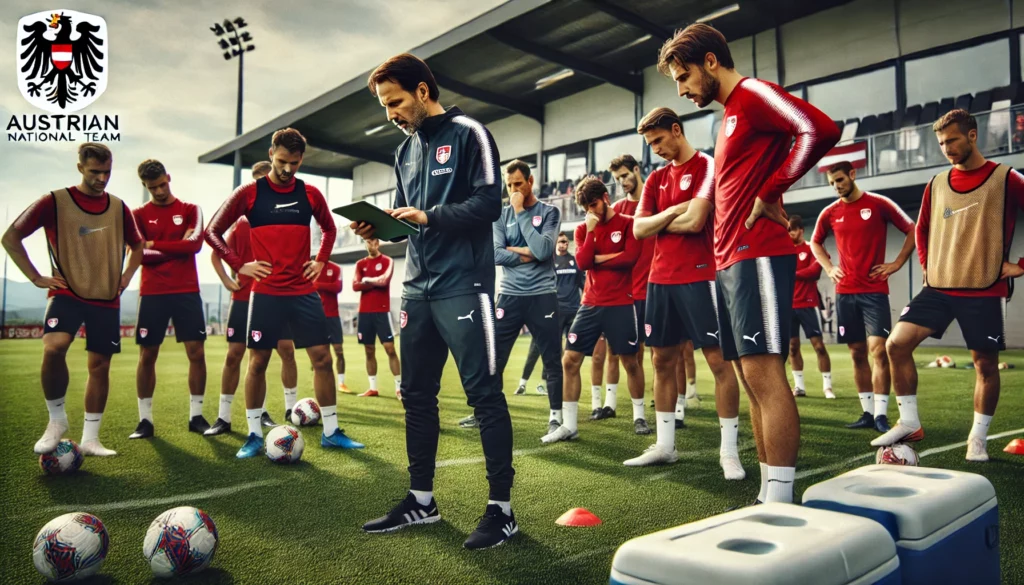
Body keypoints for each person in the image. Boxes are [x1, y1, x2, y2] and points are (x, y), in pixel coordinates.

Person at [658, 24, 840, 503]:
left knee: (764, 373)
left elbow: (820, 130)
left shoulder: (755, 92)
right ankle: (767, 495)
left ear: (711, 62)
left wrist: (770, 189)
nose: (682, 90)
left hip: (756, 254)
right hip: (728, 260)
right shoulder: (729, 117)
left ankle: (780, 499)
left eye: (684, 77)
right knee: (747, 375)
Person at [356, 53, 516, 549]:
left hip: (463, 284)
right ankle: (421, 501)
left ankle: (502, 512)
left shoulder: (470, 132)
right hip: (417, 288)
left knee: (484, 394)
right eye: (385, 106)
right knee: (416, 394)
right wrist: (383, 226)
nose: (391, 114)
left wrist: (428, 217)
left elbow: (490, 203)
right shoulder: (403, 153)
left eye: (396, 102)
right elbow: (414, 221)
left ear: (423, 91)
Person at [876, 109, 1024, 462]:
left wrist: (1020, 266)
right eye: (941, 143)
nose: (947, 148)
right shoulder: (937, 183)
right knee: (895, 345)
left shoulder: (1007, 179)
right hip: (939, 288)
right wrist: (927, 267)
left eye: (953, 140)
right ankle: (909, 422)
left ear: (972, 136)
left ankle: (977, 439)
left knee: (985, 365)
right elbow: (922, 229)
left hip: (984, 288)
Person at [205, 128, 362, 458]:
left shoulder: (311, 194)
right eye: (281, 161)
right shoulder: (249, 194)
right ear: (271, 152)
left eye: (294, 162)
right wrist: (240, 264)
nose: (288, 169)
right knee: (257, 362)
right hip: (265, 294)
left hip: (304, 292)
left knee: (322, 359)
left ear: (301, 158)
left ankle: (332, 432)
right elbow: (212, 232)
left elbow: (331, 228)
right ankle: (251, 434)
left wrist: (320, 261)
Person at [2, 142, 143, 457]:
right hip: (66, 291)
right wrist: (36, 278)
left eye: (107, 172)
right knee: (53, 349)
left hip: (106, 296)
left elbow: (138, 245)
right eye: (95, 172)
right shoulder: (54, 201)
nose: (102, 178)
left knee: (100, 365)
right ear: (80, 167)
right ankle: (56, 420)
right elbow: (10, 238)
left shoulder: (119, 207)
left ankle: (91, 439)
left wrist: (127, 276)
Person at [632, 107, 743, 477]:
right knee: (662, 362)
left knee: (719, 363)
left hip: (700, 278)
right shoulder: (654, 180)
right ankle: (665, 446)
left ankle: (729, 452)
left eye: (659, 140)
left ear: (677, 131)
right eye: (650, 144)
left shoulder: (707, 167)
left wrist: (659, 220)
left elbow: (696, 222)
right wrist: (671, 213)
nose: (656, 149)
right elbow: (638, 230)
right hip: (659, 280)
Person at [811, 161, 915, 432]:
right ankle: (867, 413)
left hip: (874, 292)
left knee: (879, 350)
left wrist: (896, 264)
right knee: (857, 353)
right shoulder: (830, 212)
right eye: (833, 183)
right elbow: (815, 242)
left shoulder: (879, 204)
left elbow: (912, 229)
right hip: (845, 293)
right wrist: (829, 267)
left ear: (853, 175)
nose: (837, 186)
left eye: (841, 180)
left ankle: (881, 415)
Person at [542, 176, 644, 445]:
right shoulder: (582, 230)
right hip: (590, 304)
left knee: (630, 362)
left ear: (606, 198)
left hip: (621, 302)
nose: (591, 210)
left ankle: (639, 416)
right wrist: (589, 233)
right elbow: (585, 262)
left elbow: (630, 259)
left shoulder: (628, 224)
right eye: (586, 207)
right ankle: (570, 425)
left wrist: (601, 258)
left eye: (594, 204)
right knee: (570, 360)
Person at [206, 161, 299, 435]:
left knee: (278, 352)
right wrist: (227, 280)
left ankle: (282, 410)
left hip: (275, 298)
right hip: (244, 298)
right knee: (235, 355)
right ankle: (224, 418)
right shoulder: (241, 224)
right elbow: (215, 250)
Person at [128, 159, 209, 439]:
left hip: (187, 290)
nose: (160, 191)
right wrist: (178, 247)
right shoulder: (136, 215)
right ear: (145, 186)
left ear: (169, 177)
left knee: (196, 353)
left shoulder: (190, 210)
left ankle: (196, 416)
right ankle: (145, 421)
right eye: (153, 187)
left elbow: (195, 245)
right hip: (152, 292)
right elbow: (137, 254)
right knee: (147, 354)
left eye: (163, 184)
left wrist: (153, 244)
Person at [483, 159, 563, 437]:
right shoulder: (498, 216)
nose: (513, 190)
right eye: (509, 185)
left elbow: (543, 250)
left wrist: (520, 212)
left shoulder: (550, 212)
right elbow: (494, 253)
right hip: (509, 296)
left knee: (552, 359)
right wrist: (528, 252)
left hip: (543, 296)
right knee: (495, 359)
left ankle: (555, 417)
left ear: (530, 182)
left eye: (518, 184)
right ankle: (486, 411)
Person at [592, 154, 655, 432]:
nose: (622, 182)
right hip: (624, 293)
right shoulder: (616, 209)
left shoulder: (653, 203)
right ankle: (610, 404)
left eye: (625, 176)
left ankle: (674, 408)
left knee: (659, 352)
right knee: (616, 353)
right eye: (617, 179)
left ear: (637, 170)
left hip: (654, 289)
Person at [517, 232, 584, 395]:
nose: (563, 245)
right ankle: (523, 383)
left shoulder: (575, 262)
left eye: (566, 242)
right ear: (555, 243)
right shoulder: (549, 261)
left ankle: (549, 383)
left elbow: (583, 283)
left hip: (573, 310)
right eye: (560, 242)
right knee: (540, 347)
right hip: (553, 310)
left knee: (571, 350)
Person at [787, 215, 834, 399]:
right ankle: (799, 387)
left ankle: (827, 387)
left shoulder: (812, 248)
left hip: (808, 303)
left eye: (792, 229)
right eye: (788, 230)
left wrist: (790, 273)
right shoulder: (785, 251)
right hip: (789, 305)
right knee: (792, 347)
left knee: (819, 346)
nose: (790, 233)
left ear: (801, 230)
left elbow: (814, 272)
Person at [352, 237, 401, 399]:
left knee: (390, 349)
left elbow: (385, 281)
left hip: (382, 311)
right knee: (368, 350)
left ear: (377, 243)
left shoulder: (387, 260)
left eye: (372, 241)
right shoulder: (360, 264)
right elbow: (355, 285)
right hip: (364, 312)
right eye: (366, 241)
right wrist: (373, 282)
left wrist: (366, 281)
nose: (370, 244)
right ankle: (373, 388)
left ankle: (399, 388)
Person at [315, 259, 349, 394]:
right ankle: (320, 381)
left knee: (339, 350)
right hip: (316, 316)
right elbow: (309, 286)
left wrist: (318, 284)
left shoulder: (336, 268)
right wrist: (326, 285)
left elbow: (337, 287)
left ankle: (341, 382)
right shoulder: (312, 268)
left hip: (333, 315)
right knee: (319, 353)